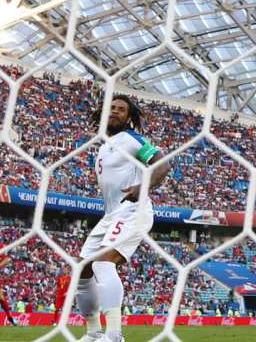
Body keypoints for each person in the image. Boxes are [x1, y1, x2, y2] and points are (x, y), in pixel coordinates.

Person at [75, 95, 170, 342]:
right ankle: (93, 333)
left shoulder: (132, 139)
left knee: (103, 264)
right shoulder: (105, 144)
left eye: (121, 109)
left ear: (129, 118)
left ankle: (114, 334)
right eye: (112, 108)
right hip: (111, 215)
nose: (115, 112)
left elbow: (162, 163)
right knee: (82, 270)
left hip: (133, 211)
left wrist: (143, 187)